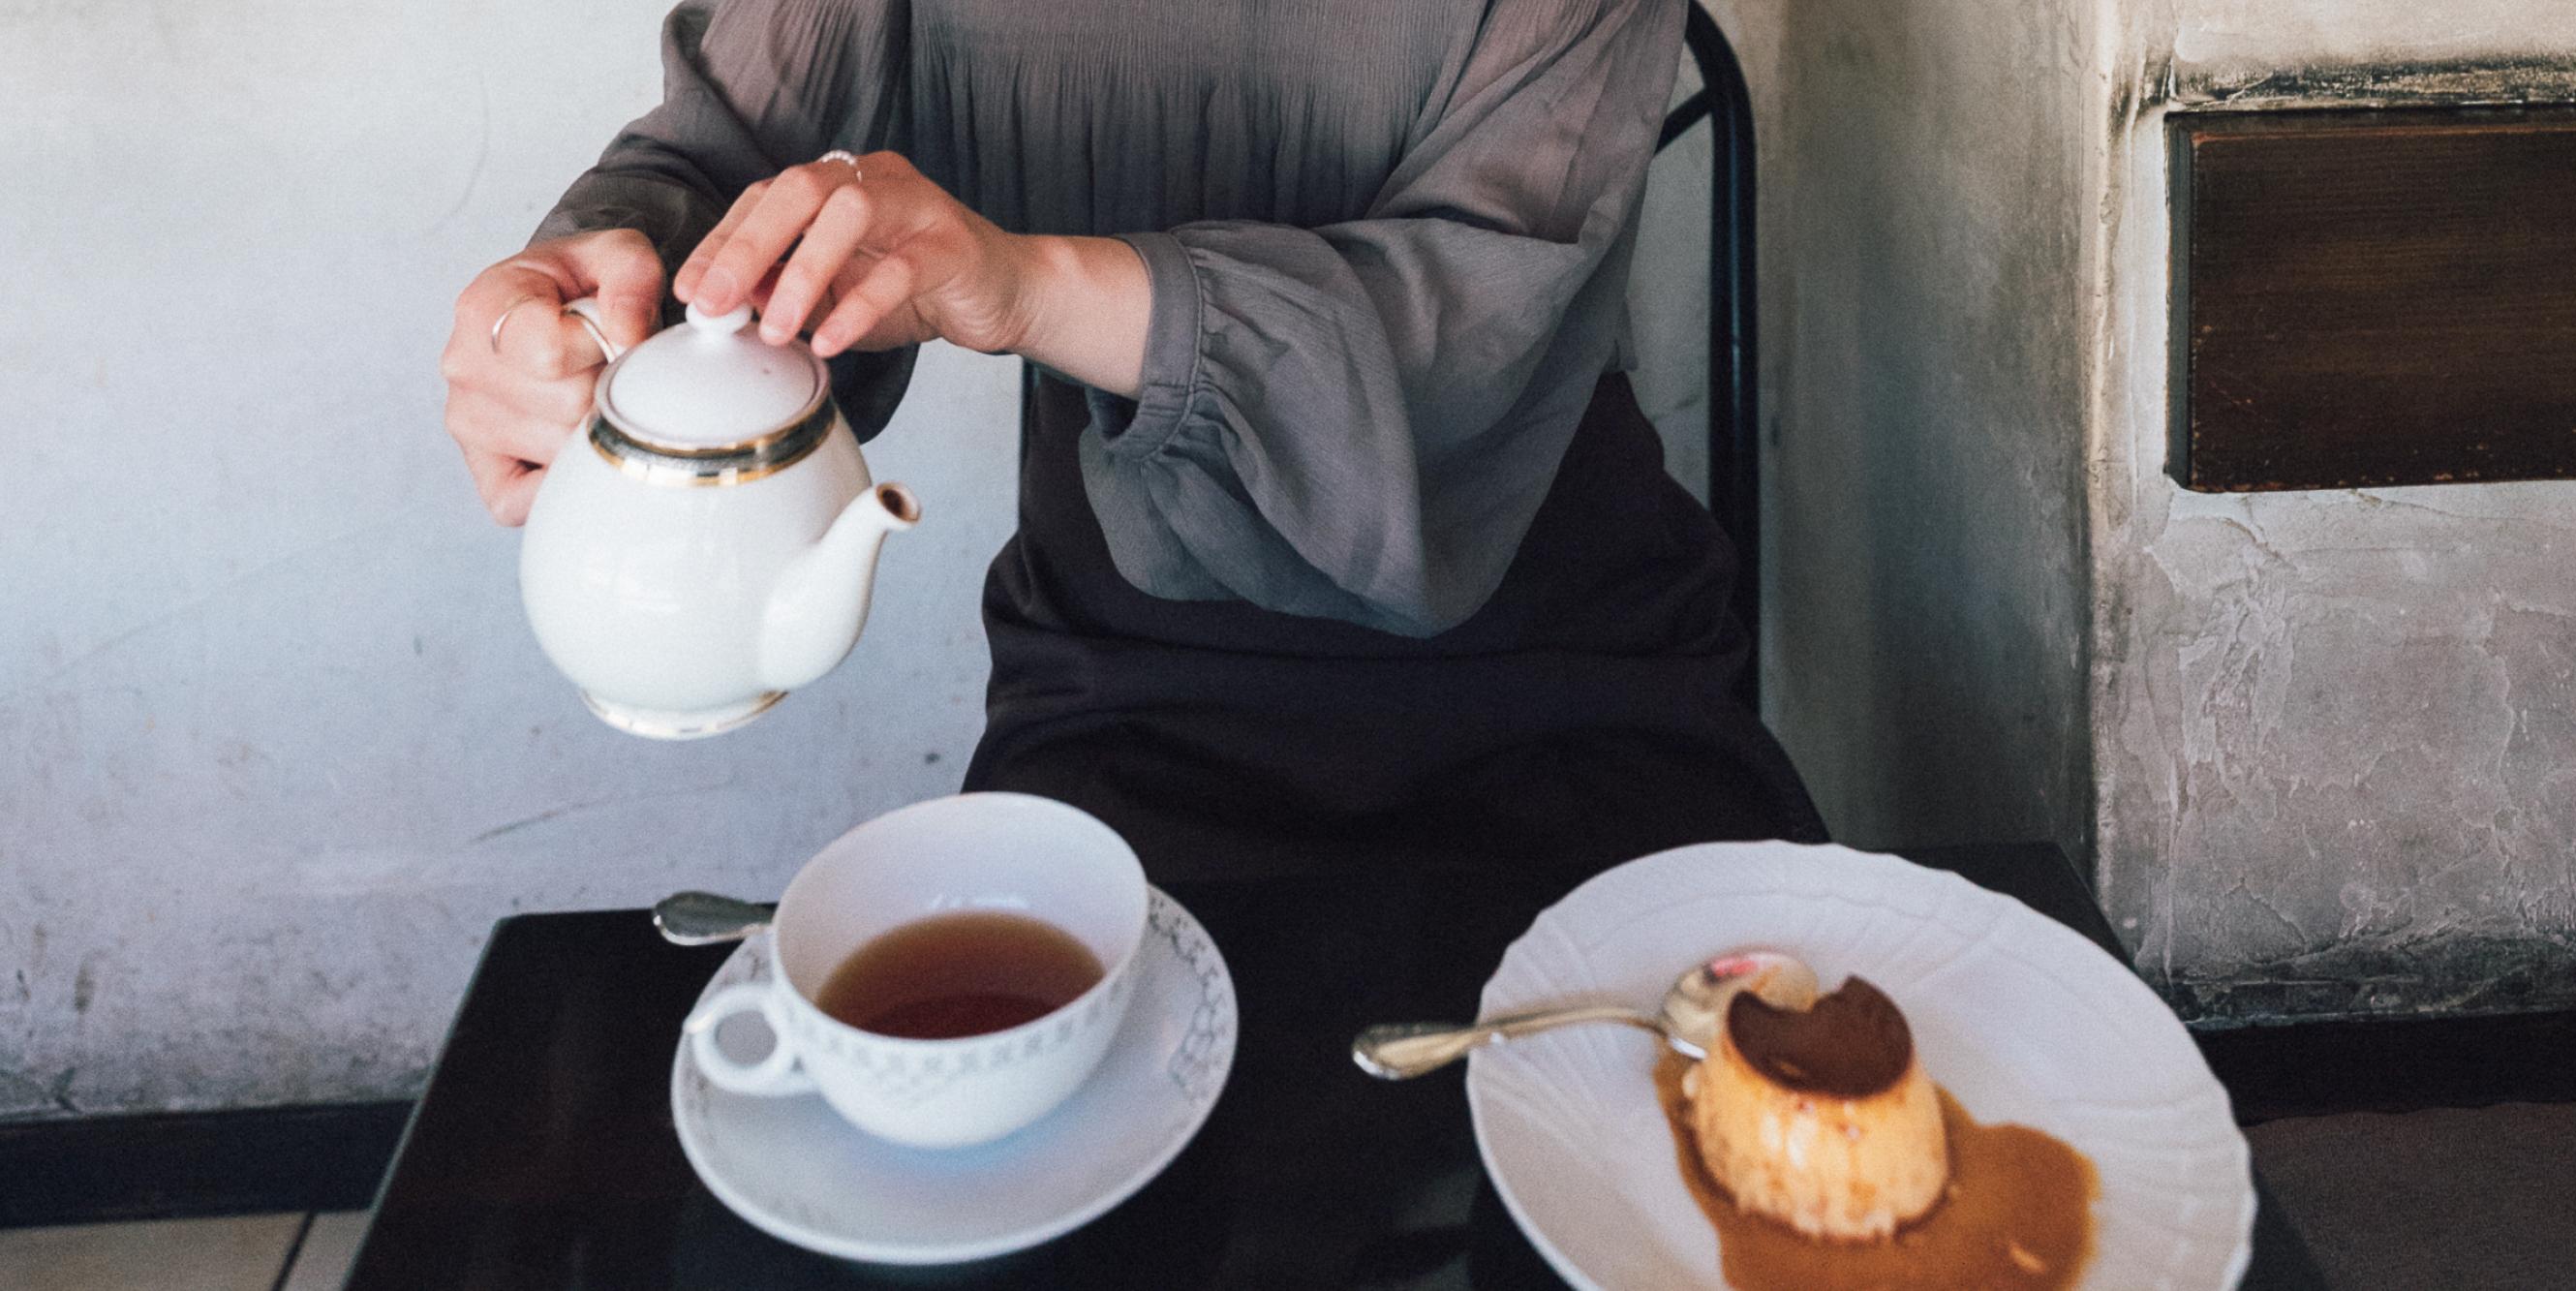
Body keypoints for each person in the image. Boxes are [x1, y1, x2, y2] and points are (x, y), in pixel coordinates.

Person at [439, 0, 1825, 894]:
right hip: (1120, 682)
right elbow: (720, 159)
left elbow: (1460, 348)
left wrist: (1030, 283)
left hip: (1568, 664)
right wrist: (581, 304)